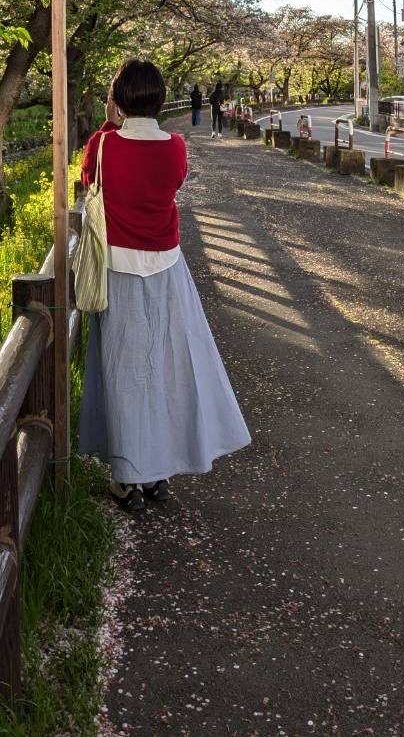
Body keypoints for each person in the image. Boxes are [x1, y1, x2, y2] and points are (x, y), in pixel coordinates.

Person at [79, 58, 252, 513]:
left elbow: (88, 181)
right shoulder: (175, 147)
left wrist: (108, 122)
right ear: (158, 99)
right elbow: (170, 184)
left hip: (118, 271)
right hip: (168, 269)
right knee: (167, 369)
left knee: (123, 375)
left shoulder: (102, 146)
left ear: (116, 99)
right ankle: (157, 472)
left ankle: (127, 477)